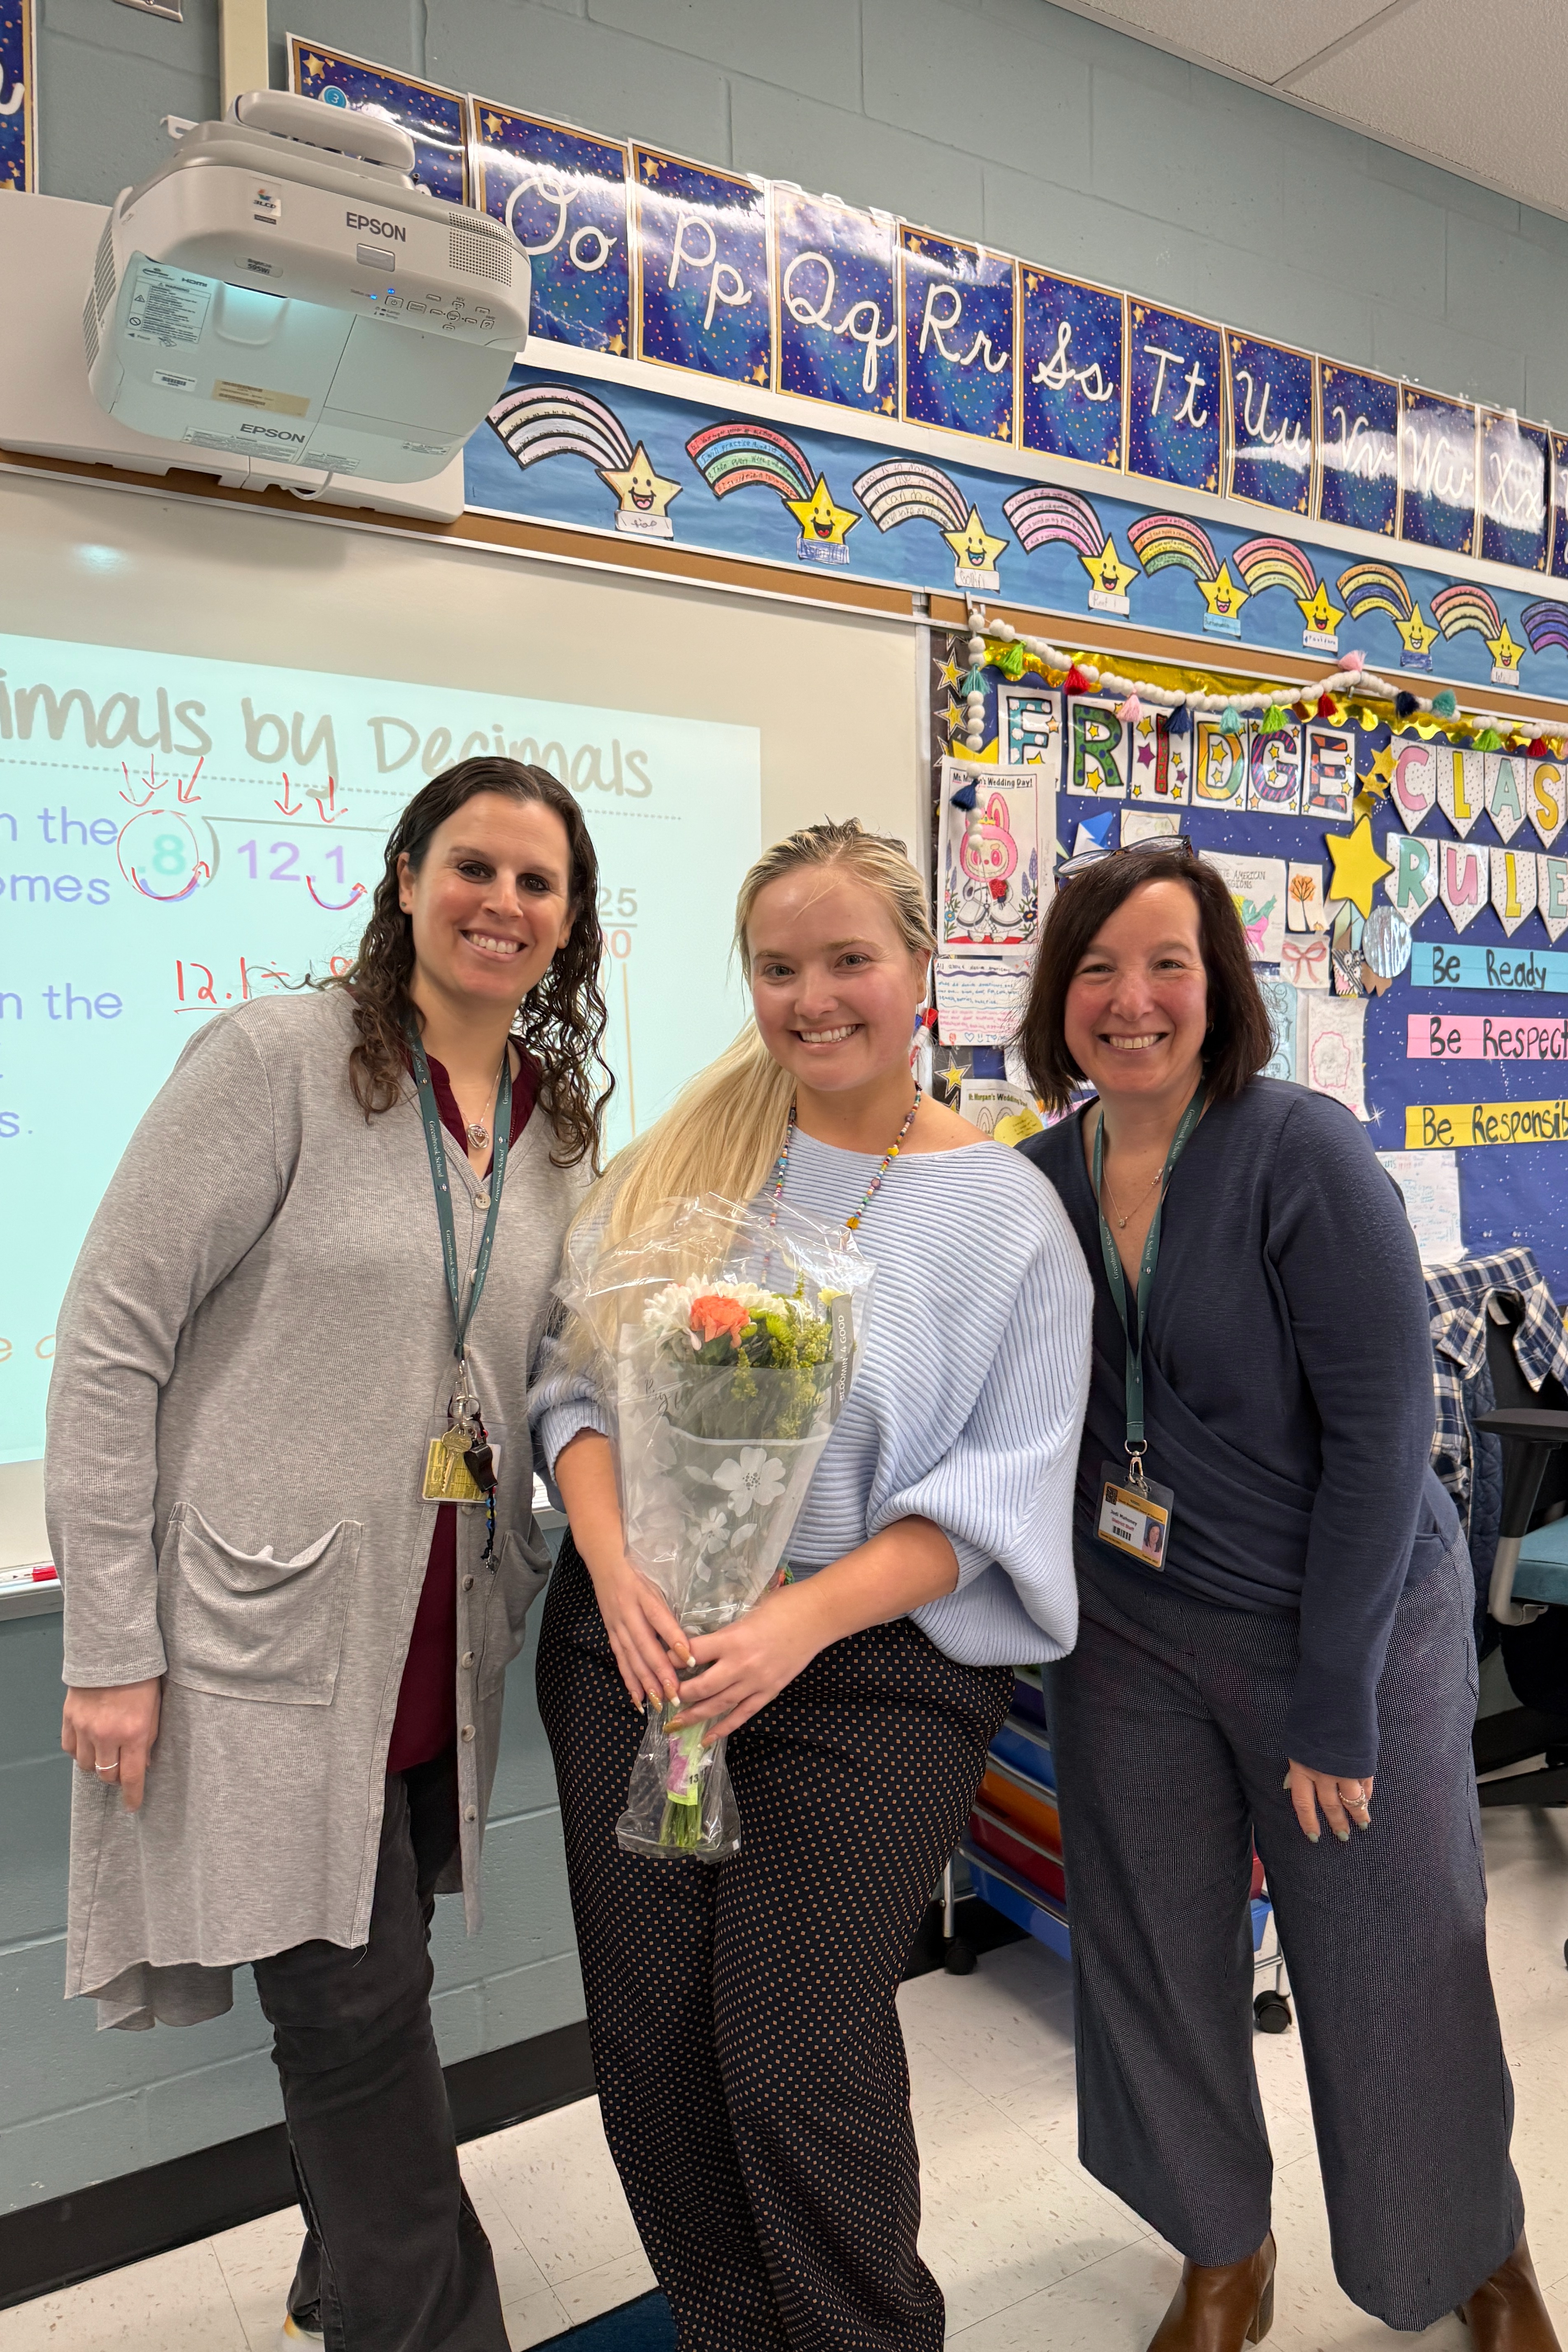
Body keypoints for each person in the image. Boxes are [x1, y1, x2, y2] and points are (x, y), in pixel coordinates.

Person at [50, 758, 609, 2352]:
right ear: (408, 876)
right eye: (474, 867)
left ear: (570, 926)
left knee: (375, 1978)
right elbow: (108, 1347)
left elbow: (557, 1360)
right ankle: (423, 2324)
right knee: (354, 2009)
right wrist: (111, 1642)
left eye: (537, 883)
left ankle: (336, 2258)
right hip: (266, 1642)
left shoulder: (557, 1125)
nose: (502, 903)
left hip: (439, 1644)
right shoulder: (277, 1061)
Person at [528, 818, 1092, 2352]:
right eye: (780, 968)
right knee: (651, 2047)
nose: (815, 997)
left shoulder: (1012, 1219)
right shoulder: (690, 1159)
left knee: (792, 2049)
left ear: (921, 969)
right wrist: (616, 1564)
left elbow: (995, 1493)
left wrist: (792, 1618)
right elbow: (572, 1397)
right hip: (634, 1649)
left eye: (851, 960)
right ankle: (726, 2326)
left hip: (872, 1672)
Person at [1019, 840, 1558, 2352]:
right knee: (1152, 1952)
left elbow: (1392, 1438)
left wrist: (1335, 1696)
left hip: (1346, 1626)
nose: (1131, 1000)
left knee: (1399, 1962)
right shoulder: (1036, 1179)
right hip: (1127, 1635)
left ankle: (1475, 2251)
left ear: (1220, 987)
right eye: (1098, 968)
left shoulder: (1297, 1148)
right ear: (1058, 995)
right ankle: (1219, 2248)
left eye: (1167, 965)